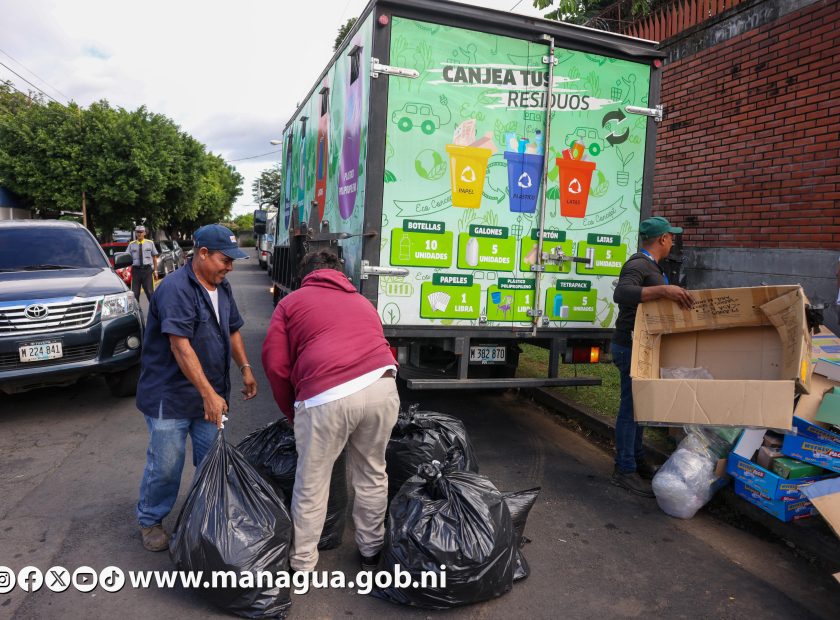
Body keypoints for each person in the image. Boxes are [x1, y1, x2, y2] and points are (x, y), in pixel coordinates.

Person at [262, 249, 399, 572]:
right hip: (382, 386)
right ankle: (371, 551)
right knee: (372, 472)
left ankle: (302, 564)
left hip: (327, 397)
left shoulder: (291, 303)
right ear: (341, 272)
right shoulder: (363, 302)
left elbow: (276, 365)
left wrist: (293, 412)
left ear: (305, 274)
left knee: (312, 481)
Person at [135, 224, 257, 551]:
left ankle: (205, 519)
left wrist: (245, 368)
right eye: (225, 260)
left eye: (232, 261)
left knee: (210, 463)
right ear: (202, 254)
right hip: (170, 395)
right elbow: (180, 346)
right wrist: (209, 395)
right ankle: (150, 519)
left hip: (209, 394)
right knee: (166, 466)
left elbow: (232, 329)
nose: (230, 267)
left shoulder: (222, 287)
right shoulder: (175, 289)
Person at [611, 216, 695, 497]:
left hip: (643, 346)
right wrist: (664, 289)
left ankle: (636, 461)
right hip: (629, 346)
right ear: (662, 238)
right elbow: (622, 293)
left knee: (640, 408)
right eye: (671, 236)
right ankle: (624, 470)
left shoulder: (653, 266)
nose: (673, 241)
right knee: (631, 409)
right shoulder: (638, 264)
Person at [127, 225, 158, 303]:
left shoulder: (150, 243)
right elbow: (126, 257)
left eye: (141, 232)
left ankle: (154, 309)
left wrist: (155, 270)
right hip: (136, 271)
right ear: (135, 233)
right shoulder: (131, 244)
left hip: (147, 271)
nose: (139, 234)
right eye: (137, 232)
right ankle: (137, 310)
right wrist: (125, 270)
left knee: (150, 293)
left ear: (144, 233)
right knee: (135, 294)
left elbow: (154, 257)